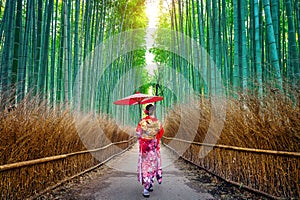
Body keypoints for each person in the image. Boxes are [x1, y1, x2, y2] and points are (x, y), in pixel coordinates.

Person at [136, 104, 164, 198]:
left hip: (145, 148)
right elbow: (161, 133)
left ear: (146, 111)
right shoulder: (158, 122)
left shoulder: (142, 122)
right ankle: (150, 184)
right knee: (153, 166)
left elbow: (138, 134)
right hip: (154, 148)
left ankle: (146, 188)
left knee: (145, 166)